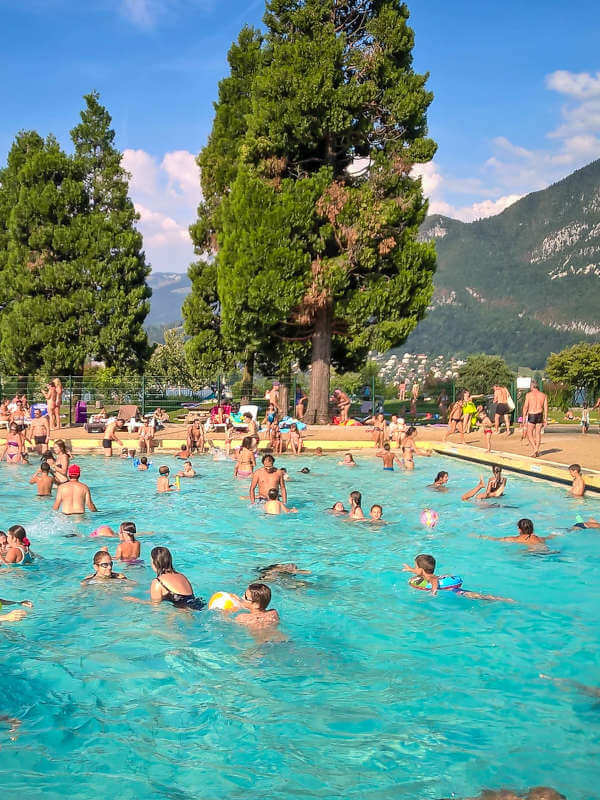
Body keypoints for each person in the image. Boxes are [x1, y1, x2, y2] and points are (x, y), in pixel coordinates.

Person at [402, 554, 513, 601]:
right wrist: (410, 570)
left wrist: (433, 592)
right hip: (451, 587)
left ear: (421, 570)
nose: (414, 569)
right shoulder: (426, 573)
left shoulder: (431, 578)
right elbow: (421, 573)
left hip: (452, 590)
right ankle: (499, 598)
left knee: (473, 596)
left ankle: (499, 599)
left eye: (415, 567)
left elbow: (434, 580)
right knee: (475, 595)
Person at [478, 517, 549, 547]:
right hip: (547, 552)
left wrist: (480, 536)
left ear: (519, 529)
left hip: (535, 555)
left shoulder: (516, 539)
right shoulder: (539, 538)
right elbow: (550, 537)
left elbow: (495, 539)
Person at [521, 380, 548, 457]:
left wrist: (523, 418)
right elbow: (546, 408)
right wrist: (545, 418)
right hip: (540, 414)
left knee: (529, 433)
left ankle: (535, 449)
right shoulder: (543, 395)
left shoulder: (529, 395)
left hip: (532, 414)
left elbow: (525, 407)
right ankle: (536, 449)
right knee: (538, 433)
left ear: (532, 386)